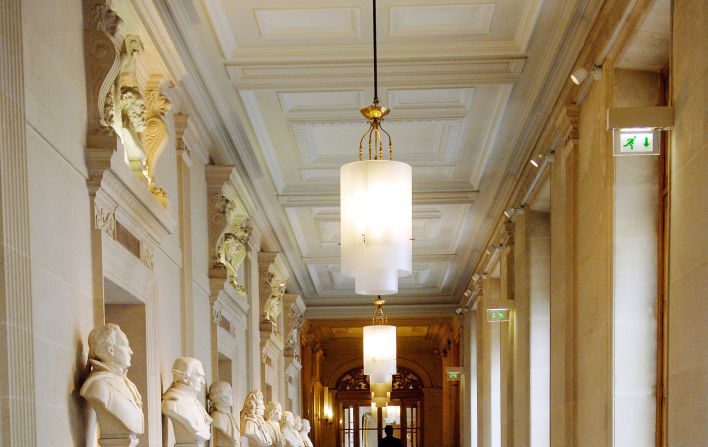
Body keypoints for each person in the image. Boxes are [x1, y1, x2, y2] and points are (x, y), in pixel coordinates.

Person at [80, 324, 144, 437]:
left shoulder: (128, 385)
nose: (131, 351)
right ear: (110, 349)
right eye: (126, 345)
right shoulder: (98, 385)